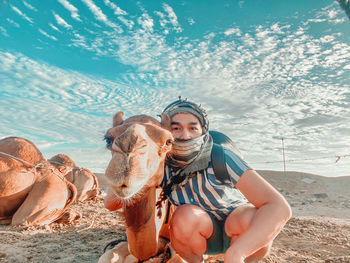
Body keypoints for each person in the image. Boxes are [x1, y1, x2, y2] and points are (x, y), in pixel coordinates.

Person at [159, 97, 292, 263]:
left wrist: (237, 253)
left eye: (193, 128)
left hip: (238, 229)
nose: (185, 136)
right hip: (199, 232)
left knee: (251, 216)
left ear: (203, 131)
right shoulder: (160, 165)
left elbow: (278, 207)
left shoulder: (220, 156)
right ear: (164, 132)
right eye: (176, 128)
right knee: (184, 216)